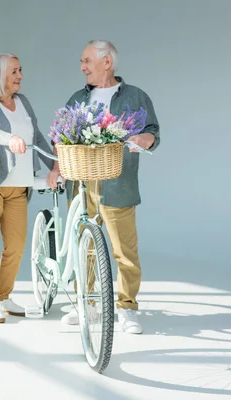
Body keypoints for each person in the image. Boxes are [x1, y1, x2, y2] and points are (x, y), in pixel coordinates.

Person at [59, 40, 160, 334]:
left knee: (124, 251)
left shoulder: (136, 96)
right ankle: (86, 302)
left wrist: (145, 140)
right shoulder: (78, 98)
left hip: (119, 183)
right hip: (81, 185)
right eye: (82, 61)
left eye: (87, 61)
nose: (82, 67)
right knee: (84, 248)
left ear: (107, 62)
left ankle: (127, 308)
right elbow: (61, 139)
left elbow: (153, 130)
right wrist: (58, 169)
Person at [0, 53, 59, 323]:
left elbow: (37, 136)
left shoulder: (22, 101)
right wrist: (10, 138)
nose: (20, 76)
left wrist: (55, 166)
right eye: (14, 71)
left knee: (16, 246)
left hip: (18, 187)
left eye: (20, 70)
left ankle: (4, 296)